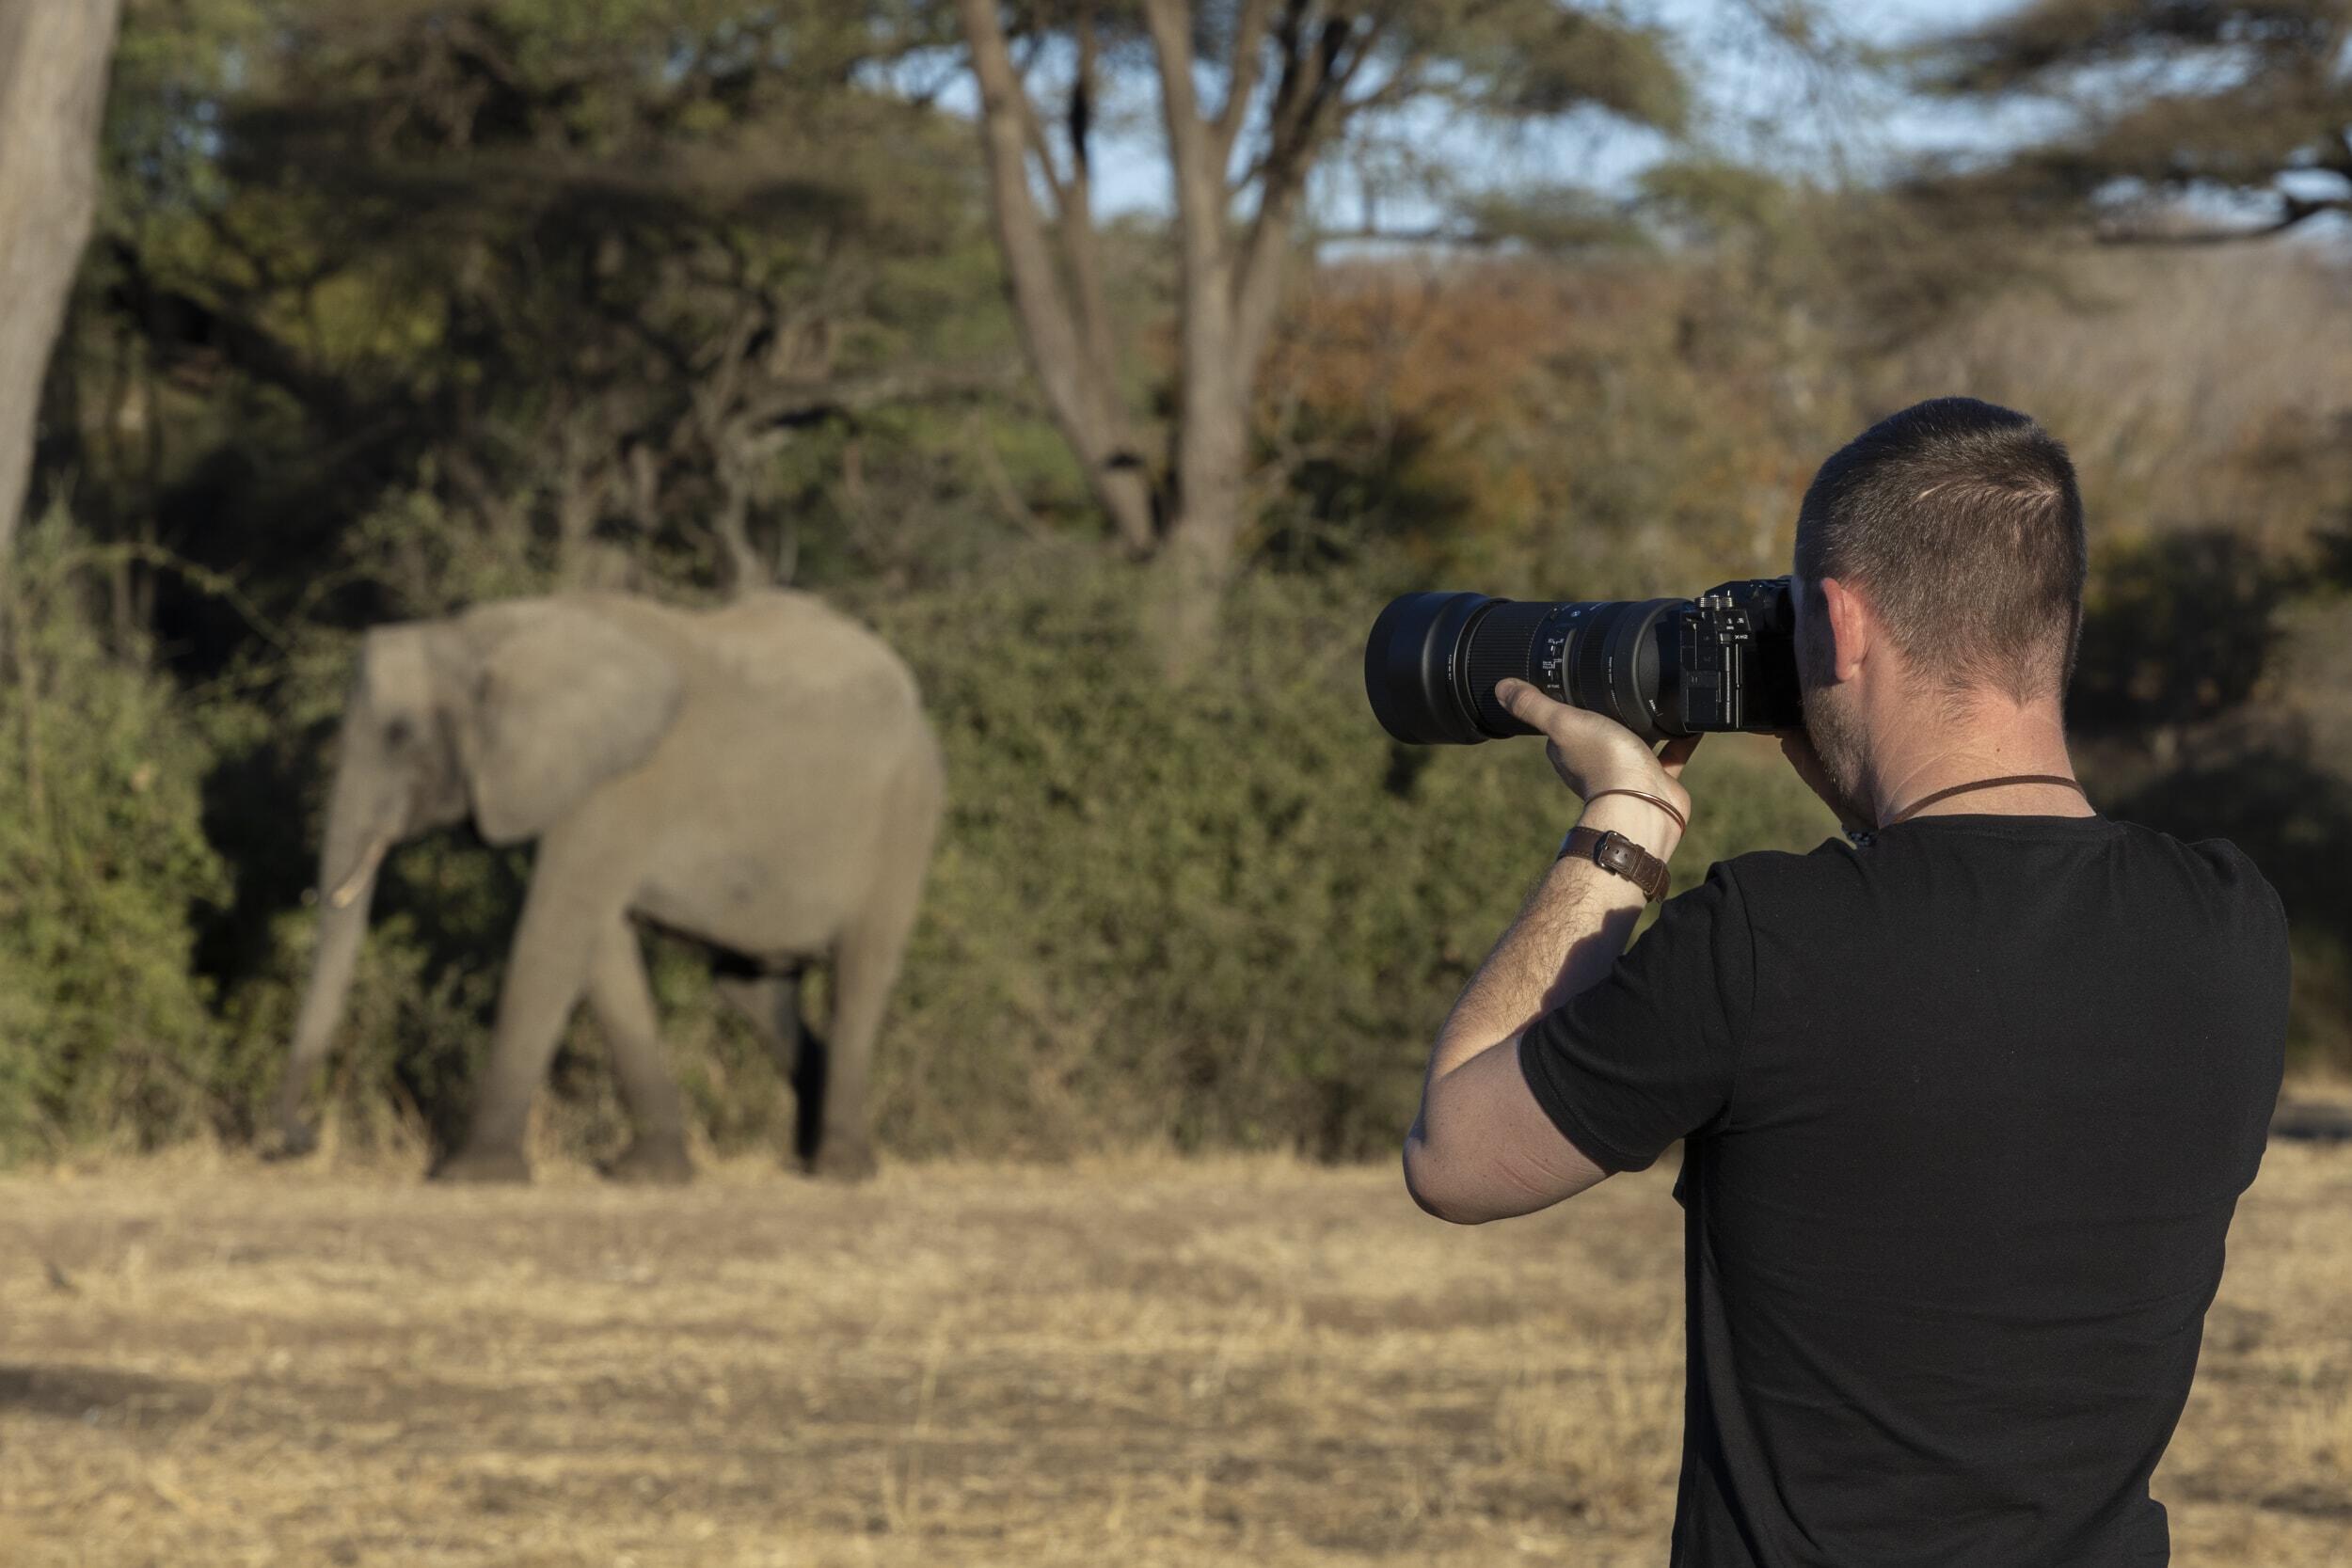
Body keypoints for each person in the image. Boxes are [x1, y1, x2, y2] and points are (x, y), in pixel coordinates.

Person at [1401, 397, 2288, 1566]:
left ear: (1838, 622)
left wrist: (1624, 824)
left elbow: (1455, 1157)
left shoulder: (1765, 940)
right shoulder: (2229, 923)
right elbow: (1978, 960)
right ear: (2058, 623)